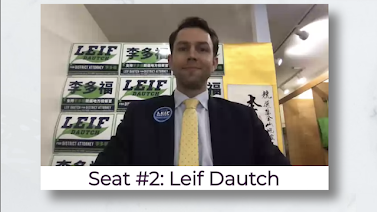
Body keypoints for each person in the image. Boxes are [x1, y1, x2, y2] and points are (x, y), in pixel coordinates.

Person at [95, 17, 288, 166]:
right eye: (183, 48)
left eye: (202, 49)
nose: (192, 55)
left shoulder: (243, 118)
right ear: (170, 61)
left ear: (214, 63)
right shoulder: (139, 115)